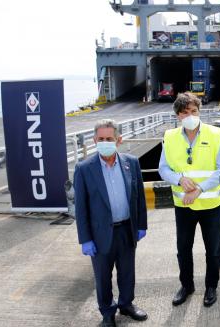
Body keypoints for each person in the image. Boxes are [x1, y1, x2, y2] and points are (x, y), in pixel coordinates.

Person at [74, 119, 148, 327]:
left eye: (109, 138)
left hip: (126, 229)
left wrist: (141, 225)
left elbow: (139, 198)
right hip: (99, 234)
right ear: (95, 140)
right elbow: (81, 208)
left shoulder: (131, 163)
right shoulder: (84, 168)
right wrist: (85, 239)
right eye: (101, 139)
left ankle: (126, 304)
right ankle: (107, 311)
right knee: (103, 277)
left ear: (118, 140)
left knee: (127, 272)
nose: (104, 142)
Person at [158, 92, 220, 308]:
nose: (190, 115)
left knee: (213, 249)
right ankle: (186, 286)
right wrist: (179, 179)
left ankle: (211, 286)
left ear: (199, 111)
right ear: (178, 116)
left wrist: (198, 188)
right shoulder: (169, 137)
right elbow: (163, 168)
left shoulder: (217, 134)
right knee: (183, 248)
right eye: (185, 112)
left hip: (210, 204)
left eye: (194, 111)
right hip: (183, 205)